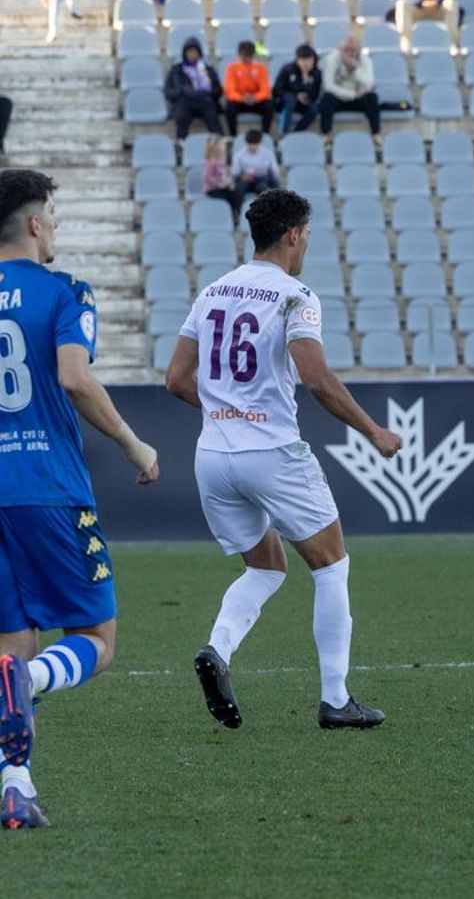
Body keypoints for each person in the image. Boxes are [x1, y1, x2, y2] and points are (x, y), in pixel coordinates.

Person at [162, 189, 401, 732]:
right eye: (308, 235)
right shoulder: (296, 296)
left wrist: (226, 410)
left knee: (266, 566)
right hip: (270, 452)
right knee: (332, 564)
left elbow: (175, 378)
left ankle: (218, 649)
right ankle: (336, 700)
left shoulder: (214, 290)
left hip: (212, 456)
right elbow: (315, 377)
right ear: (294, 234)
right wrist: (373, 431)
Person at [0, 169, 161, 829]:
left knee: (9, 647)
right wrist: (132, 443)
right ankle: (29, 686)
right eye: (55, 216)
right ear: (36, 224)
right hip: (48, 489)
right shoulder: (65, 290)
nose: (57, 226)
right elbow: (74, 374)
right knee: (95, 638)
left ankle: (16, 786)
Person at [164, 36, 223, 141]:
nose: (192, 54)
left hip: (205, 101)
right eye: (189, 52)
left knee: (213, 118)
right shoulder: (176, 70)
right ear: (184, 53)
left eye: (195, 52)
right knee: (182, 116)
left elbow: (218, 90)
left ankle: (218, 147)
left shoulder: (207, 69)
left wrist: (207, 93)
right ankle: (181, 147)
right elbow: (169, 92)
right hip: (185, 101)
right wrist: (182, 91)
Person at [319, 36, 380, 136]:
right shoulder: (331, 60)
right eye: (346, 50)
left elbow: (369, 83)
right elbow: (328, 86)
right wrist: (353, 94)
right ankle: (326, 134)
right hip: (340, 97)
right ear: (340, 50)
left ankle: (375, 134)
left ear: (358, 51)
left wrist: (355, 69)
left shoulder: (366, 61)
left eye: (353, 50)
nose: (350, 54)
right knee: (327, 98)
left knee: (372, 98)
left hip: (358, 99)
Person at [222, 41, 273, 137]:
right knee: (229, 106)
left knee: (268, 105)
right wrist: (241, 98)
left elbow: (265, 90)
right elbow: (229, 90)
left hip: (255, 101)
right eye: (244, 56)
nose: (246, 59)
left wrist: (255, 98)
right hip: (239, 101)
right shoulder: (232, 68)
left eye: (249, 56)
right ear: (239, 55)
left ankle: (265, 135)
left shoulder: (260, 68)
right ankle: (233, 136)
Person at [273, 45, 323, 134]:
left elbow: (315, 95)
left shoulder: (316, 73)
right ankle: (283, 132)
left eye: (309, 60)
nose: (306, 63)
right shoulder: (288, 69)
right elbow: (277, 90)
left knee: (314, 109)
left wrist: (306, 82)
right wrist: (296, 95)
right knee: (291, 101)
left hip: (303, 103)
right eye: (303, 60)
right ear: (297, 59)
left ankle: (297, 132)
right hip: (286, 102)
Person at [230, 130, 280, 204]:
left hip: (263, 180)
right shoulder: (239, 155)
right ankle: (237, 210)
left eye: (255, 144)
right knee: (239, 189)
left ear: (259, 143)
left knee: (264, 189)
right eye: (250, 144)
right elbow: (235, 173)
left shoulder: (268, 153)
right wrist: (241, 177)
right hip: (246, 181)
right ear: (247, 143)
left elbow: (274, 171)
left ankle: (266, 211)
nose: (253, 147)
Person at [201, 136, 240, 222]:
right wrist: (219, 184)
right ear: (216, 149)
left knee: (234, 196)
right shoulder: (210, 162)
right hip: (212, 189)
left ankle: (236, 215)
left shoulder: (222, 160)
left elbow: (224, 174)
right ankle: (229, 218)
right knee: (225, 199)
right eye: (222, 146)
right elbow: (208, 178)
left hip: (222, 186)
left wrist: (227, 181)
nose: (224, 147)